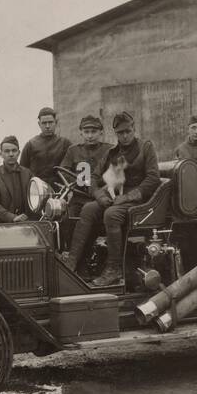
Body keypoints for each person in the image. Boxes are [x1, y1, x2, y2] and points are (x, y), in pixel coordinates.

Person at [64, 111, 160, 287]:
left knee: (111, 214)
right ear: (115, 133)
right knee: (88, 209)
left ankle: (114, 269)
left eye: (127, 131)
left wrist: (128, 196)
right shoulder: (114, 153)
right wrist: (98, 195)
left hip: (141, 200)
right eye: (120, 133)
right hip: (118, 197)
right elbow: (93, 177)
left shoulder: (145, 147)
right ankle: (72, 262)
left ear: (134, 129)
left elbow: (153, 178)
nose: (124, 136)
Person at [58, 114, 114, 214]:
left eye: (93, 132)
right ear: (81, 133)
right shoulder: (73, 150)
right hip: (79, 198)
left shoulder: (109, 150)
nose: (90, 136)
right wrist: (80, 181)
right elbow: (63, 172)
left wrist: (98, 184)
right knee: (67, 218)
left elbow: (115, 173)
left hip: (103, 196)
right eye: (86, 132)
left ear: (101, 132)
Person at [0, 135, 35, 224]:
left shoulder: (28, 174)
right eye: (7, 151)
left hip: (18, 225)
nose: (11, 154)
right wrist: (12, 217)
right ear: (1, 154)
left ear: (19, 153)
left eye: (14, 150)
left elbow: (34, 199)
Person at [19, 106, 72, 189]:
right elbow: (23, 170)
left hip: (60, 189)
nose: (47, 126)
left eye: (50, 122)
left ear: (56, 122)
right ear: (39, 124)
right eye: (44, 123)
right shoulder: (31, 144)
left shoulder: (65, 143)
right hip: (37, 190)